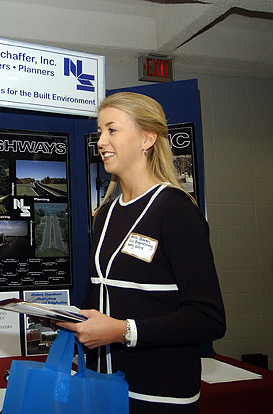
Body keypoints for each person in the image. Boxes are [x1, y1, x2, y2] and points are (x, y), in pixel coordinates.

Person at [57, 92, 225, 413]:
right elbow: (106, 295)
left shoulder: (176, 210)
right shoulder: (105, 214)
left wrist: (123, 331)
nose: (101, 141)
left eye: (112, 130)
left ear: (147, 139)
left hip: (158, 395)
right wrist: (70, 317)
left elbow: (209, 318)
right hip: (103, 387)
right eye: (99, 132)